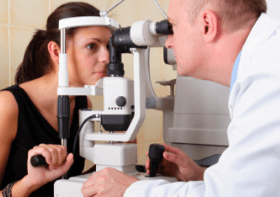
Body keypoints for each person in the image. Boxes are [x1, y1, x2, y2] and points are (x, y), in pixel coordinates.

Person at [81, 0, 280, 196]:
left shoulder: (268, 79)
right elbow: (252, 184)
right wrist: (202, 176)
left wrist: (130, 191)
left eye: (173, 27)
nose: (168, 42)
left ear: (207, 25)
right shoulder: (263, 64)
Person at [0, 2, 112, 197]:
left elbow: (65, 185)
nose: (107, 57)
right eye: (92, 46)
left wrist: (111, 163)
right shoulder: (8, 105)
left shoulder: (84, 104)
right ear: (56, 52)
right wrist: (28, 184)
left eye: (108, 46)